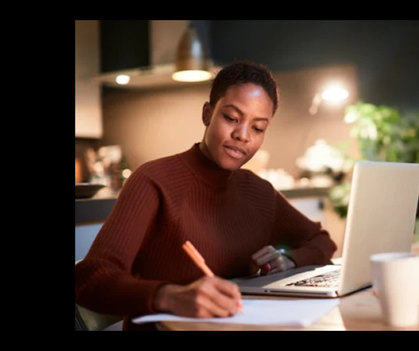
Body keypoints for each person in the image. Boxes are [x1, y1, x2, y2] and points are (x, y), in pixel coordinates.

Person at [75, 60, 338, 331]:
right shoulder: (153, 180)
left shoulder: (259, 191)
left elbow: (321, 240)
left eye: (258, 128)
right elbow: (90, 279)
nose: (242, 135)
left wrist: (289, 260)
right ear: (207, 114)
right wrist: (169, 295)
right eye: (231, 118)